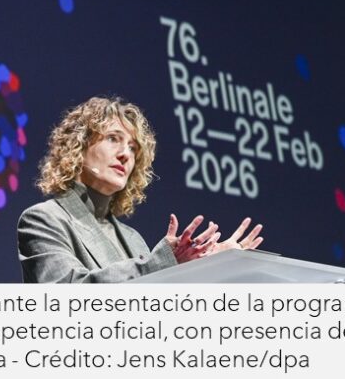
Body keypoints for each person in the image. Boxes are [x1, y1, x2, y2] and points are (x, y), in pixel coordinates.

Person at [17, 96, 263, 283]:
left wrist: (208, 266)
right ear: (78, 147)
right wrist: (164, 262)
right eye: (113, 138)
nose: (125, 154)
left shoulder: (133, 239)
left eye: (133, 148)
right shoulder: (44, 219)